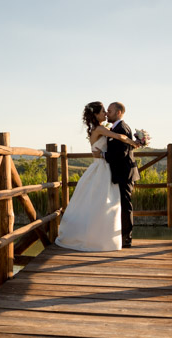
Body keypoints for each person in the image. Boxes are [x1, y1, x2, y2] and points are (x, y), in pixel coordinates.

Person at [55, 101, 140, 252]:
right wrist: (133, 142)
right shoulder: (100, 128)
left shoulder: (100, 128)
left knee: (101, 203)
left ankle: (105, 235)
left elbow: (117, 144)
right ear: (96, 114)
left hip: (106, 168)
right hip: (102, 168)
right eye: (103, 111)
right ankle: (101, 237)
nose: (106, 114)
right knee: (102, 203)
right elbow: (119, 136)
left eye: (108, 111)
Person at [95, 101, 140, 248]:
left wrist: (102, 154)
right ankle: (119, 235)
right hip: (119, 172)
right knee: (119, 204)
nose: (107, 113)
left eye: (110, 111)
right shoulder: (116, 128)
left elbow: (121, 153)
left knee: (126, 205)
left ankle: (127, 238)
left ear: (118, 112)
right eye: (106, 111)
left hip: (124, 173)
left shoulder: (122, 128)